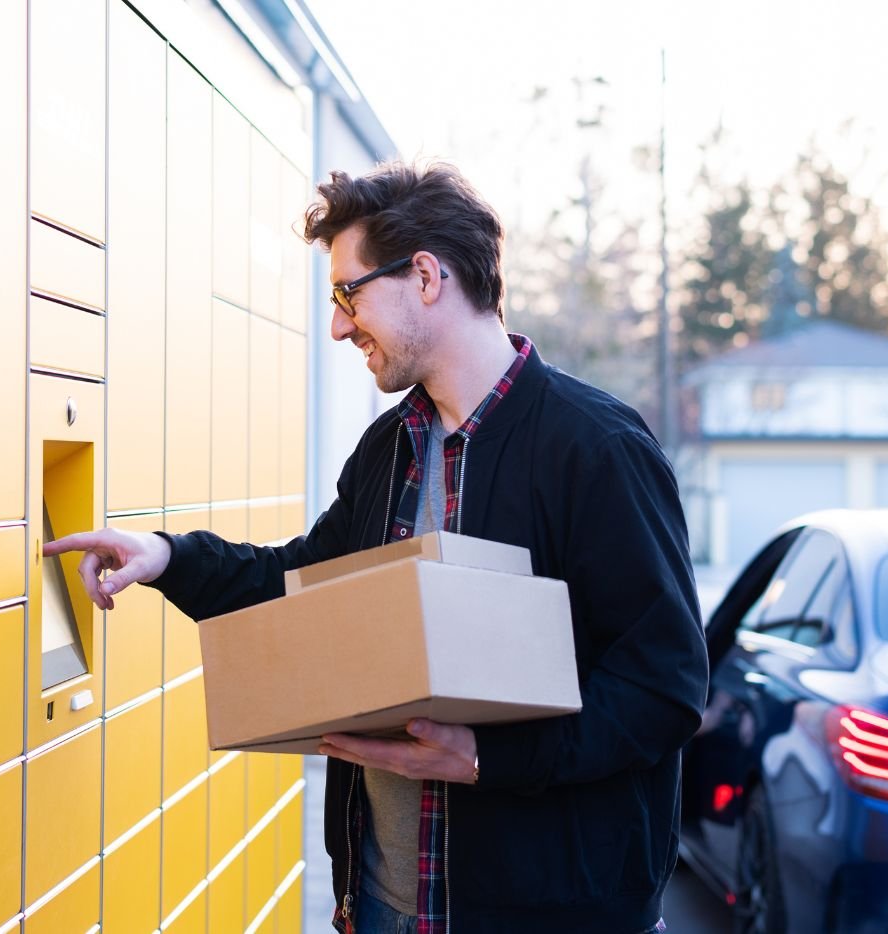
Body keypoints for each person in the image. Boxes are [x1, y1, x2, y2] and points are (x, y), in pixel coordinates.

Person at [45, 162, 708, 934]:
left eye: (347, 293)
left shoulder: (596, 448)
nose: (337, 325)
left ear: (425, 276)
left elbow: (665, 686)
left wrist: (490, 758)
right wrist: (168, 556)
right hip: (388, 909)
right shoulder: (389, 449)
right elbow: (304, 587)